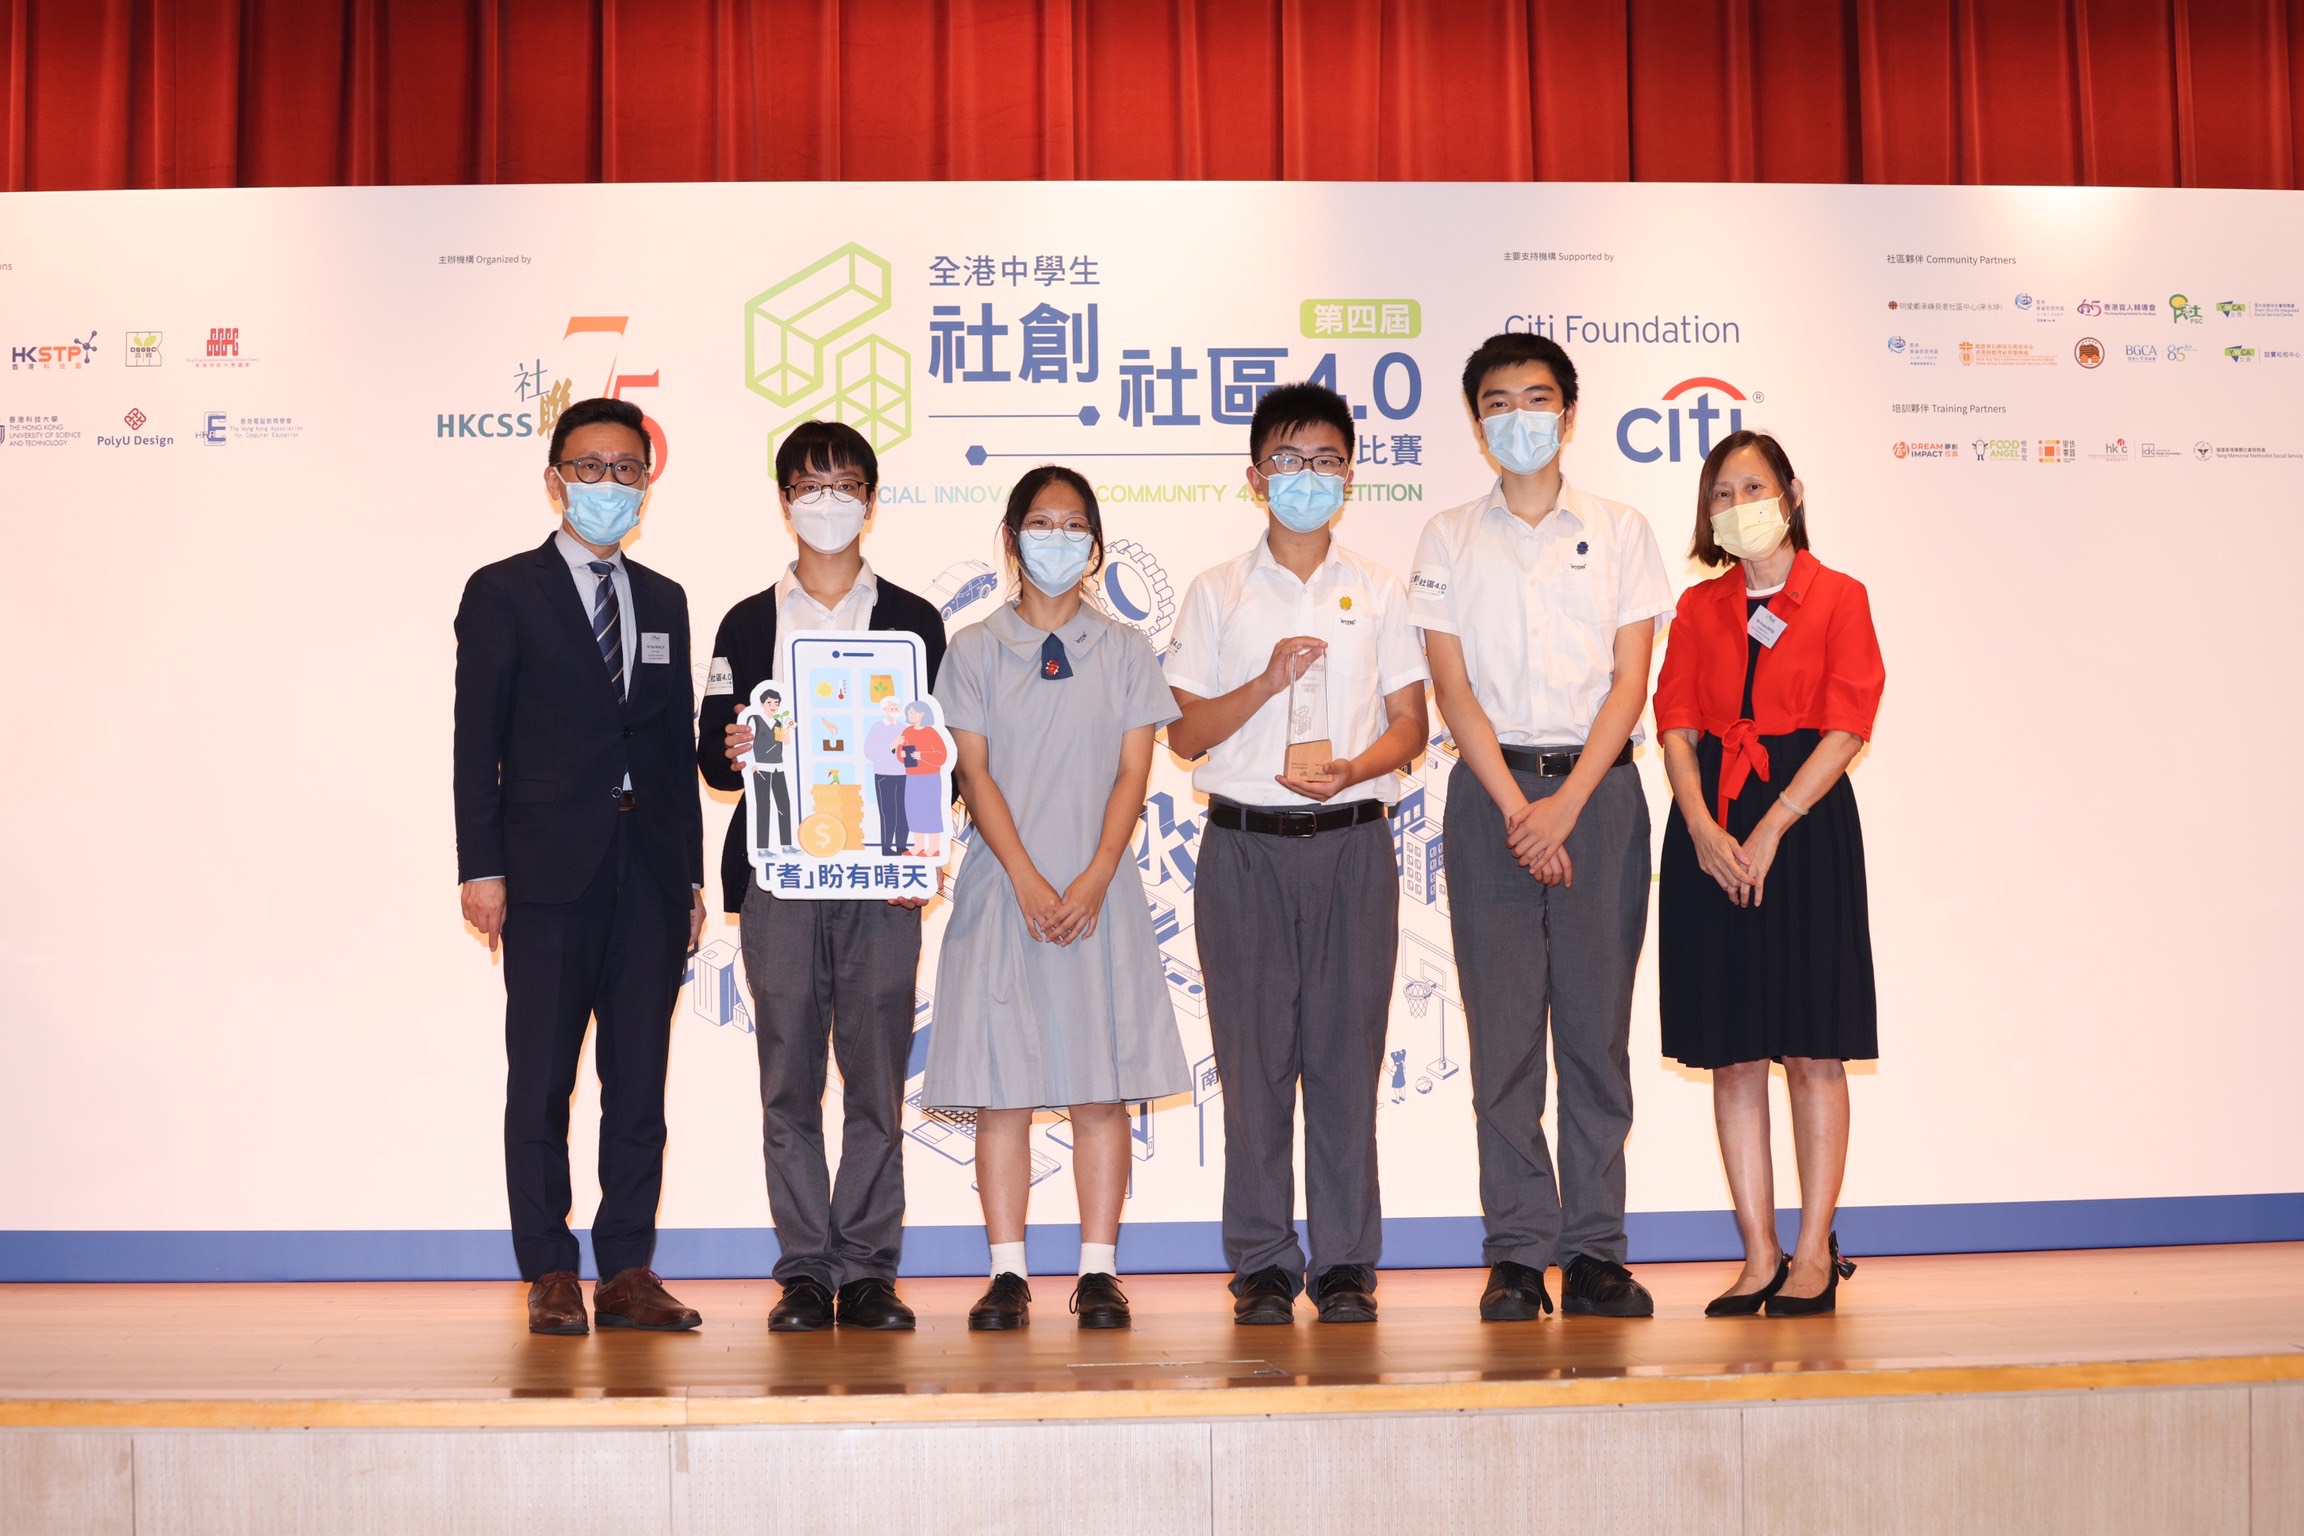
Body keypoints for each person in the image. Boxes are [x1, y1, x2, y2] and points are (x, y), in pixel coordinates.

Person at [1410, 333, 1674, 1322]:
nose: (1518, 416)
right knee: (1507, 1034)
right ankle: (1517, 1251)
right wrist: (1521, 809)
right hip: (1490, 799)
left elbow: (1630, 683)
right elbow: (1451, 686)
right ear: (1477, 423)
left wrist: (1565, 806)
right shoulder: (1446, 537)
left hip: (1599, 796)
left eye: (1536, 398)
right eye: (1497, 402)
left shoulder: (1620, 528)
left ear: (1568, 412)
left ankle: (1596, 1248)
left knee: (1595, 1035)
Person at [1164, 381, 1429, 1326]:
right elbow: (1185, 735)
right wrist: (1267, 681)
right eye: (1287, 461)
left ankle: (1347, 1263)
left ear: (1349, 478)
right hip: (1243, 851)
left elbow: (1412, 724)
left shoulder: (1384, 588)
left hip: (1353, 845)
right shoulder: (1217, 592)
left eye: (1324, 462)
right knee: (1252, 1063)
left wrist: (1355, 765)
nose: (1305, 478)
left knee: (1347, 1061)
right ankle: (1265, 1263)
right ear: (1254, 477)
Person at [453, 396, 707, 1335]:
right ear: (556, 477)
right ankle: (550, 1269)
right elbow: (474, 743)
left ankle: (628, 1268)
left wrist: (689, 880)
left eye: (626, 469)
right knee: (543, 1079)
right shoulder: (503, 590)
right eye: (590, 467)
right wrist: (482, 866)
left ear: (648, 479)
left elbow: (678, 751)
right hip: (546, 877)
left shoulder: (668, 600)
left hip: (646, 879)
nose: (609, 484)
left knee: (639, 1086)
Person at [696, 419, 947, 1333]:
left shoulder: (915, 621)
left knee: (876, 1078)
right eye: (810, 485)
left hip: (881, 884)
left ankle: (871, 1267)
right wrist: (733, 748)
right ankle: (806, 1267)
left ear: (872, 502)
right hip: (780, 881)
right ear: (784, 500)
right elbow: (717, 765)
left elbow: (938, 759)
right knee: (788, 1077)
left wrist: (919, 854)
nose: (828, 502)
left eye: (845, 485)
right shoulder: (746, 621)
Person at [926, 465, 1189, 1332]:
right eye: (1041, 523)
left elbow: (1131, 774)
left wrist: (1094, 874)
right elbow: (975, 771)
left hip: (1098, 894)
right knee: (1002, 1088)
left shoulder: (1124, 650)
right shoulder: (971, 648)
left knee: (1098, 1087)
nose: (1058, 538)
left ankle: (1099, 1270)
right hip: (1005, 892)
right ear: (1011, 538)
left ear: (1095, 544)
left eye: (1075, 524)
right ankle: (1007, 1272)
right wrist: (1032, 881)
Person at [1654, 429, 1884, 1317]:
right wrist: (1706, 829)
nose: (1738, 506)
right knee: (1734, 1053)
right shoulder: (1697, 607)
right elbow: (1674, 725)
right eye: (1721, 493)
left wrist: (1777, 821)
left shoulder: (1839, 595)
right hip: (1710, 825)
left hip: (1807, 825)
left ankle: (1815, 1254)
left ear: (1790, 493)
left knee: (1812, 1047)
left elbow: (1850, 721)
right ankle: (1757, 1255)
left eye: (1753, 488)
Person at [899, 698, 950, 858]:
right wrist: (900, 754)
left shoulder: (931, 732)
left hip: (930, 777)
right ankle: (918, 845)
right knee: (914, 811)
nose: (910, 714)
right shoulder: (907, 732)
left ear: (922, 714)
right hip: (912, 776)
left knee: (930, 811)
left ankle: (934, 846)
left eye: (913, 712)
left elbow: (941, 756)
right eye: (909, 712)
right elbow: (901, 753)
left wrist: (922, 755)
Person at [749, 685, 795, 853]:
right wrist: (752, 764)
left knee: (784, 803)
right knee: (763, 805)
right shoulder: (755, 720)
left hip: (778, 767)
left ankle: (787, 845)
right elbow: (748, 744)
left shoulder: (778, 722)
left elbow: (785, 743)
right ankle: (762, 848)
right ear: (762, 704)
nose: (773, 705)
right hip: (761, 768)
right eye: (769, 702)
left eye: (776, 702)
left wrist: (787, 732)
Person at [865, 695, 911, 856]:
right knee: (888, 812)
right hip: (884, 775)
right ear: (884, 710)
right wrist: (892, 745)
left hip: (904, 775)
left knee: (904, 811)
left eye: (897, 708)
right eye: (892, 708)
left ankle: (901, 846)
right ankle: (886, 847)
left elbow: (909, 750)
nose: (895, 711)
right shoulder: (878, 727)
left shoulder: (904, 727)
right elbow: (869, 752)